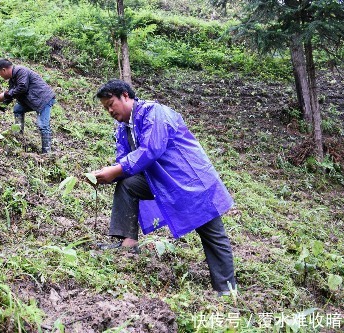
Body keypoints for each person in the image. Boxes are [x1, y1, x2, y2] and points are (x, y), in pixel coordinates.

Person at [92, 79, 236, 295]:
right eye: (106, 108)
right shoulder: (123, 129)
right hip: (161, 181)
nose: (110, 110)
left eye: (111, 103)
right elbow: (124, 161)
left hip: (191, 180)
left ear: (125, 95)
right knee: (127, 184)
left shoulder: (154, 112)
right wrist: (108, 174)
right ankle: (127, 243)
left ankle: (226, 289)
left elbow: (151, 150)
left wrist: (116, 170)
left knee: (212, 234)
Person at [0, 59, 56, 153]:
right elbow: (10, 96)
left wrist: (5, 94)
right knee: (18, 109)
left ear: (4, 70)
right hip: (33, 100)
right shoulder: (12, 80)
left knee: (43, 124)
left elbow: (22, 88)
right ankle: (18, 136)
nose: (0, 76)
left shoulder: (21, 71)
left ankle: (47, 153)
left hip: (44, 99)